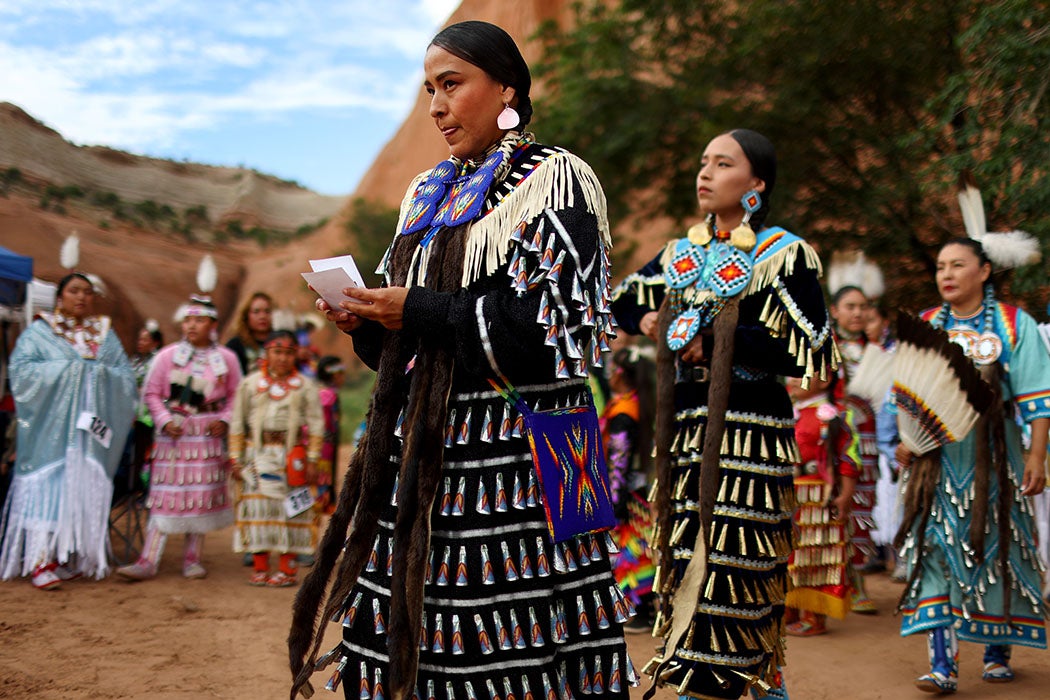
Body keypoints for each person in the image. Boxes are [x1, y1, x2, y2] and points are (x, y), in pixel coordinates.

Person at [288, 21, 633, 700]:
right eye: (428, 90)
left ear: (507, 87)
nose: (436, 106)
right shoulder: (427, 194)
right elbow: (409, 347)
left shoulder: (556, 179)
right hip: (430, 451)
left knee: (524, 643)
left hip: (529, 452)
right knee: (421, 634)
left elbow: (545, 334)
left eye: (452, 85)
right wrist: (367, 322)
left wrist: (413, 309)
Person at [611, 129, 839, 699]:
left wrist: (717, 338)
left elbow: (810, 346)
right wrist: (651, 323)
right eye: (703, 161)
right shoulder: (681, 252)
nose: (705, 172)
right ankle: (722, 686)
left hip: (751, 433)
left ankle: (736, 685)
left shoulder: (784, 253)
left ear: (756, 184)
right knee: (687, 556)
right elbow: (622, 300)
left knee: (739, 569)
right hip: (687, 434)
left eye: (723, 163)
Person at [895, 238, 1049, 693]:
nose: (946, 273)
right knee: (935, 549)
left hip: (996, 456)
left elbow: (1039, 399)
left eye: (957, 265)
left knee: (997, 548)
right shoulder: (925, 324)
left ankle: (997, 649)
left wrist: (1037, 456)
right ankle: (942, 666)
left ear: (983, 271)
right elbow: (905, 396)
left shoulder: (1012, 324)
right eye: (941, 266)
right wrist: (906, 443)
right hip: (936, 463)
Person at [0, 272, 136, 589]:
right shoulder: (40, 331)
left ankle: (63, 557)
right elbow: (21, 371)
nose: (82, 297)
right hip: (51, 431)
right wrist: (69, 370)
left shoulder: (104, 335)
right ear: (60, 297)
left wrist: (98, 374)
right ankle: (38, 559)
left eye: (88, 292)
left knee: (77, 490)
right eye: (74, 291)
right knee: (49, 487)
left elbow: (126, 378)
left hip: (88, 434)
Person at [115, 295, 241, 581]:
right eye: (188, 320)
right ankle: (148, 559)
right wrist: (163, 420)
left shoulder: (227, 359)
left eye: (199, 320)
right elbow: (151, 394)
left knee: (200, 492)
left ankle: (192, 558)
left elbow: (237, 395)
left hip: (207, 435)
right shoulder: (166, 356)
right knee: (164, 494)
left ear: (213, 324)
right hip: (174, 435)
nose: (192, 325)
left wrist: (224, 419)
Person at [230, 330, 322, 587]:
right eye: (277, 352)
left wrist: (313, 459)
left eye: (288, 352)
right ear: (266, 353)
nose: (282, 358)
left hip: (292, 456)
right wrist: (236, 458)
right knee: (257, 508)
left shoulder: (305, 386)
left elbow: (316, 425)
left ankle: (287, 568)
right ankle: (260, 567)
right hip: (256, 455)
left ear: (295, 355)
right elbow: (237, 422)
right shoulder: (250, 385)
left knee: (289, 510)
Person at [784, 376, 858, 636]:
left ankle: (814, 616)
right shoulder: (788, 412)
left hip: (818, 494)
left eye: (801, 374)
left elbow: (848, 458)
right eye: (791, 373)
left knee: (816, 555)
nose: (792, 379)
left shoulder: (832, 418)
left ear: (825, 381)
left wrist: (845, 495)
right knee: (789, 554)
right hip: (788, 492)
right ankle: (789, 608)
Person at [829, 285, 880, 611]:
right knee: (832, 506)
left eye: (863, 306)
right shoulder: (825, 346)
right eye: (850, 306)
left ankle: (858, 579)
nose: (857, 313)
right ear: (835, 311)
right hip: (832, 436)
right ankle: (832, 581)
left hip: (869, 438)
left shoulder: (877, 350)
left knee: (862, 507)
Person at [601, 345, 657, 632]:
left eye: (610, 369)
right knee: (640, 551)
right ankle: (645, 610)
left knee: (631, 554)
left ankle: (642, 612)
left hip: (626, 495)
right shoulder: (638, 403)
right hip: (639, 492)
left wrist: (614, 503)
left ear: (620, 375)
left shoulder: (625, 412)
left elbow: (619, 462)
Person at [314, 355, 345, 514]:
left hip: (327, 442)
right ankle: (320, 501)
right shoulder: (326, 395)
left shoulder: (327, 392)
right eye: (340, 373)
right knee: (322, 473)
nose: (342, 377)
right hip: (323, 444)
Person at [226, 291, 274, 375]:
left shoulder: (280, 341)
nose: (262, 316)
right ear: (246, 315)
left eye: (267, 311)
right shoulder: (235, 345)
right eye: (256, 312)